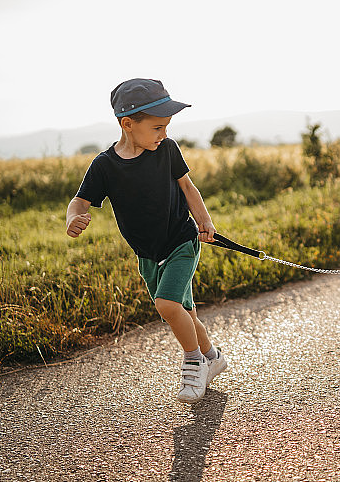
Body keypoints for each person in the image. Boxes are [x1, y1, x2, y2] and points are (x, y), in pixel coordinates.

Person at [66, 78, 227, 403]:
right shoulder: (105, 166)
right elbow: (79, 201)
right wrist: (74, 218)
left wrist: (204, 221)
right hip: (148, 255)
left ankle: (194, 361)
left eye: (166, 126)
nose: (164, 133)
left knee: (167, 306)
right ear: (128, 124)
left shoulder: (166, 149)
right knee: (186, 314)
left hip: (181, 241)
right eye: (157, 127)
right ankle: (213, 357)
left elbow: (188, 189)